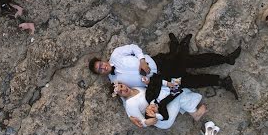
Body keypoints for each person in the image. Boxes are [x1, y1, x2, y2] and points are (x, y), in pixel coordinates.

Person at [89, 34, 241, 99]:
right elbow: (131, 92)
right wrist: (147, 85)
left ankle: (226, 60)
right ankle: (179, 48)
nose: (103, 68)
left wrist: (141, 60)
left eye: (100, 64)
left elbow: (134, 48)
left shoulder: (116, 54)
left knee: (192, 62)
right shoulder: (115, 83)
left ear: (103, 61)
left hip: (159, 62)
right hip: (159, 79)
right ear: (100, 73)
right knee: (189, 81)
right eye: (100, 70)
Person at [112, 82, 207, 130]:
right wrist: (148, 121)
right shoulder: (130, 103)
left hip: (160, 104)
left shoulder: (135, 88)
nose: (123, 89)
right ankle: (195, 114)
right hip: (161, 119)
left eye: (121, 86)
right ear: (120, 96)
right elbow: (141, 122)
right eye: (120, 92)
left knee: (178, 89)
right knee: (177, 94)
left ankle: (184, 107)